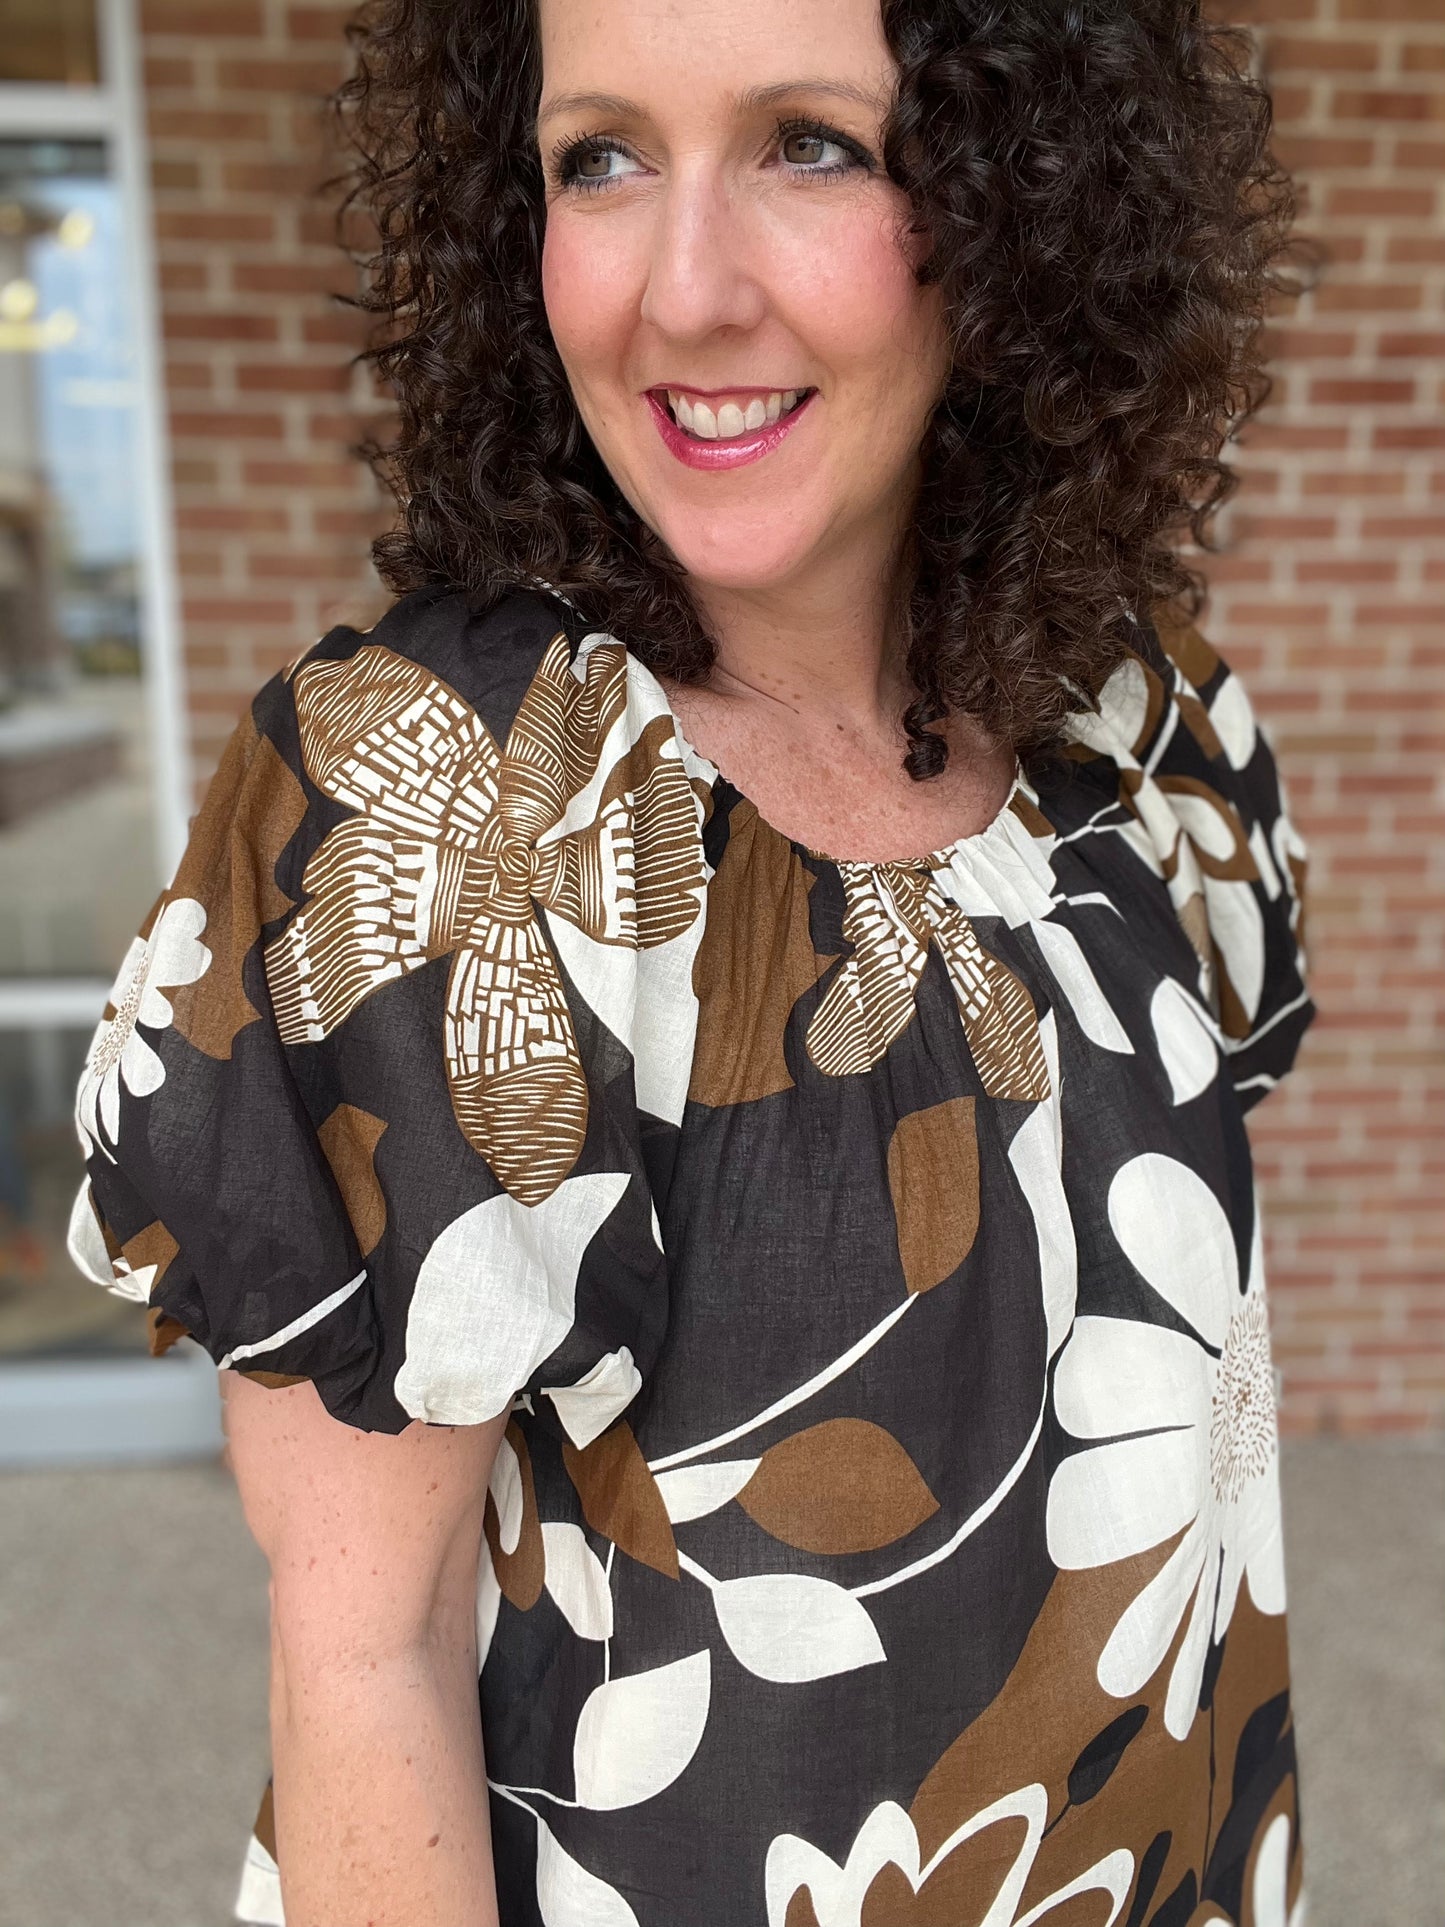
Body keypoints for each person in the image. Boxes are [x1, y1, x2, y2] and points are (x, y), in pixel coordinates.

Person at [68, 0, 1315, 1922]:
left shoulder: (1137, 727)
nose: (682, 292)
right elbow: (359, 1659)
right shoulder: (445, 804)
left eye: (812, 141)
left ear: (1017, 196)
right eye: (600, 157)